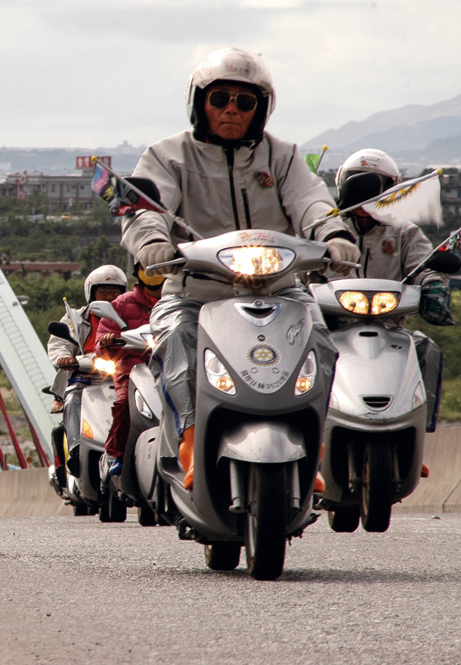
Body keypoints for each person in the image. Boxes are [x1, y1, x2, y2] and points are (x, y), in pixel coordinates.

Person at [120, 47, 359, 491]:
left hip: (277, 288)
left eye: (245, 101)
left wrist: (333, 233)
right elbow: (146, 207)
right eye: (220, 98)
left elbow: (311, 200)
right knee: (176, 337)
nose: (231, 108)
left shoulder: (282, 156)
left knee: (320, 341)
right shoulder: (167, 155)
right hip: (196, 290)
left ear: (260, 108)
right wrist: (151, 242)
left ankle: (313, 445)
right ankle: (190, 439)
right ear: (200, 103)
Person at [330, 148, 453, 433]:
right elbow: (303, 267)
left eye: (378, 185)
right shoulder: (327, 229)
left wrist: (432, 284)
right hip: (331, 327)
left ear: (393, 191)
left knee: (426, 349)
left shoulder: (404, 232)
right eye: (356, 182)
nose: (367, 193)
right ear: (342, 185)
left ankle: (418, 427)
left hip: (389, 327)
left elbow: (424, 265)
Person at [46, 265, 127, 482]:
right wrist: (64, 358)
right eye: (103, 292)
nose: (109, 297)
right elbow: (59, 344)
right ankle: (75, 451)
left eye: (114, 292)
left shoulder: (128, 315)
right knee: (73, 399)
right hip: (85, 377)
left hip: (122, 373)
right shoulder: (75, 318)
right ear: (91, 293)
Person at [95, 264, 164, 480]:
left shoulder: (176, 300)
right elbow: (101, 345)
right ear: (139, 274)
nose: (154, 276)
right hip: (133, 368)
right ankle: (117, 453)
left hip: (170, 364)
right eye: (147, 270)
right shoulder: (121, 304)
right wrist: (107, 342)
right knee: (125, 403)